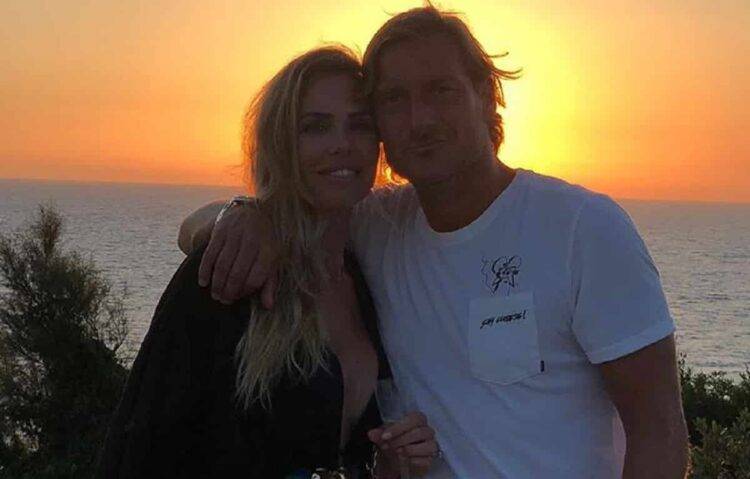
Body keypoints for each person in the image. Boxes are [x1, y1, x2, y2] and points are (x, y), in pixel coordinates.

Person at [179, 5, 690, 478]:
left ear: (484, 95)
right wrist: (247, 216)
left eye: (440, 91)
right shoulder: (376, 227)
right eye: (394, 100)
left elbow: (660, 433)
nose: (419, 120)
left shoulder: (583, 229)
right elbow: (195, 230)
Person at [99, 46, 439, 478]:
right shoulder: (230, 272)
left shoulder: (364, 276)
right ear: (281, 144)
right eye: (315, 127)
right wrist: (236, 213)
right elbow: (138, 449)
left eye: (359, 125)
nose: (341, 144)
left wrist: (386, 465)